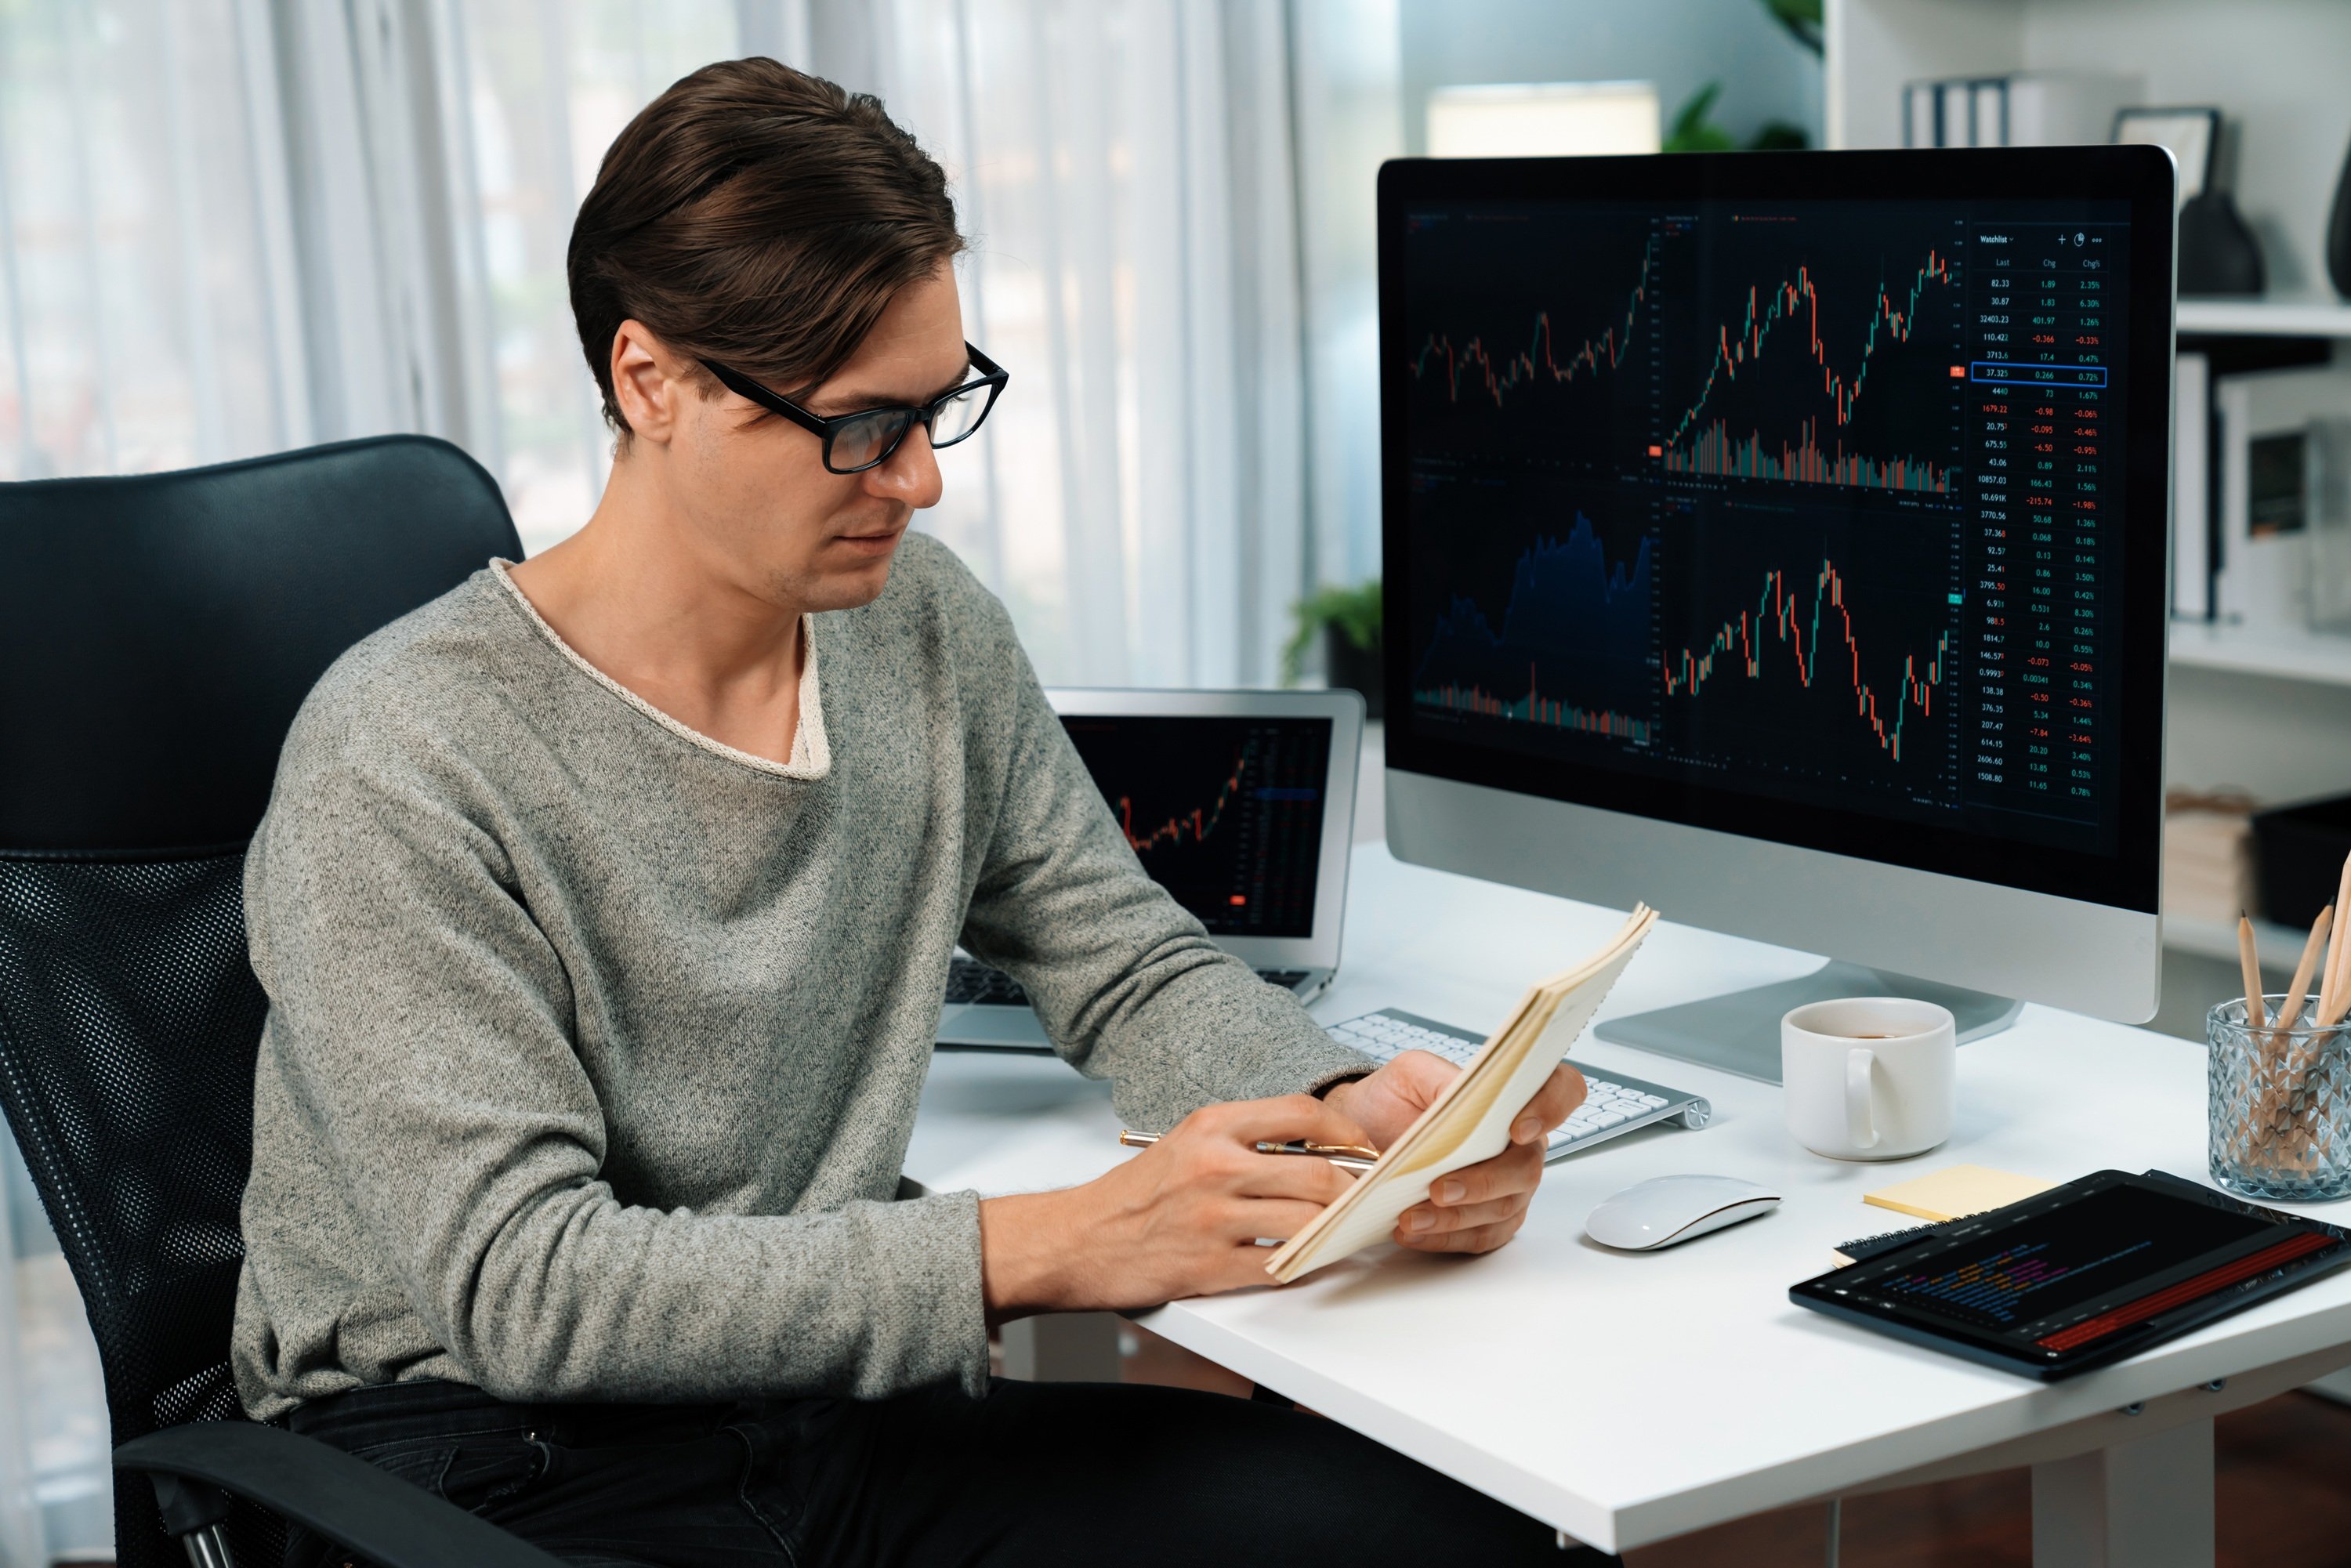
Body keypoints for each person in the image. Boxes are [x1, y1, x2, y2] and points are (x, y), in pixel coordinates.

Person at [235, 56, 1599, 1568]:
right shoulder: (403, 753)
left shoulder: (915, 626)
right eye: (860, 426)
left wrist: (1349, 1115)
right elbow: (529, 1288)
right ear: (650, 380)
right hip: (485, 1468)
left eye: (940, 409)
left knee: (1458, 1536)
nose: (920, 482)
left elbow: (1121, 959)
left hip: (829, 1416)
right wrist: (1059, 1244)